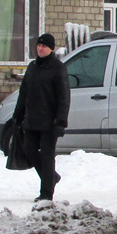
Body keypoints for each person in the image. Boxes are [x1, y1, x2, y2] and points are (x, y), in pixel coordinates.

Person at [12, 33, 69, 201]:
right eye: (38, 45)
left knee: (47, 155)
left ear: (51, 49)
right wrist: (18, 115)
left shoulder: (58, 68)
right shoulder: (32, 67)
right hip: (31, 119)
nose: (40, 48)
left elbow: (64, 97)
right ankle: (51, 177)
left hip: (49, 122)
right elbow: (24, 93)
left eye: (44, 46)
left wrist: (60, 122)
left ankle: (46, 193)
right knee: (29, 150)